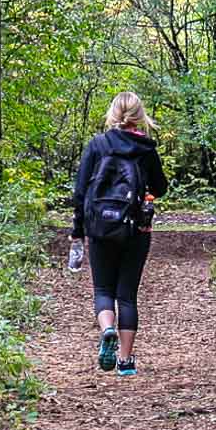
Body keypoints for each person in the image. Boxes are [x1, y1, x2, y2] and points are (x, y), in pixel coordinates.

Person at [69, 91, 168, 376]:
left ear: (113, 114)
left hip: (99, 228)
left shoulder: (97, 146)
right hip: (136, 228)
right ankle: (125, 361)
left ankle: (107, 328)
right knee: (127, 295)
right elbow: (161, 188)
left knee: (102, 289)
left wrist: (78, 231)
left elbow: (80, 193)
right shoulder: (146, 149)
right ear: (140, 115)